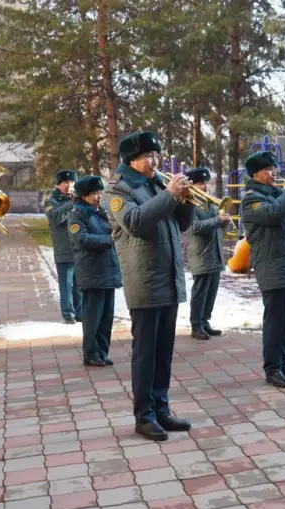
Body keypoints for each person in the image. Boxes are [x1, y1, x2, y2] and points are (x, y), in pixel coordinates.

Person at [105, 131, 194, 441]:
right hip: (144, 280)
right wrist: (169, 195)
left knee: (164, 352)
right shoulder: (119, 189)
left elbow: (181, 224)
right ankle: (144, 416)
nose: (155, 161)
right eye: (148, 156)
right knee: (145, 353)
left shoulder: (155, 184)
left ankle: (161, 409)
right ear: (132, 159)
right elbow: (137, 223)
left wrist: (186, 200)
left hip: (167, 277)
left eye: (157, 155)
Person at [240, 151, 285, 388]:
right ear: (255, 174)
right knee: (275, 320)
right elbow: (274, 214)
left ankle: (284, 363)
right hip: (272, 266)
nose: (274, 174)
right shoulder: (251, 200)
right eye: (269, 170)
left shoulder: (277, 195)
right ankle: (272, 368)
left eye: (274, 169)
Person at [68, 175, 120, 367]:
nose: (99, 197)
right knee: (93, 317)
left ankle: (102, 352)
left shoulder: (101, 211)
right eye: (94, 194)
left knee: (107, 316)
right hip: (92, 272)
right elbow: (81, 239)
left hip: (108, 270)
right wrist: (110, 240)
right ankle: (90, 353)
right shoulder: (76, 214)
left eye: (100, 192)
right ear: (83, 196)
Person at [186, 167, 230, 340]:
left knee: (211, 291)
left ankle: (205, 321)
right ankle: (196, 325)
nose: (205, 187)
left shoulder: (210, 202)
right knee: (201, 291)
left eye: (206, 183)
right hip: (201, 255)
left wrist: (224, 221)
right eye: (201, 183)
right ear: (192, 185)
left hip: (215, 254)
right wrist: (217, 220)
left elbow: (219, 230)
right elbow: (194, 228)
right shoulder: (190, 204)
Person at [45, 169, 82, 323]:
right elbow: (54, 218)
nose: (69, 185)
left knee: (79, 283)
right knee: (66, 284)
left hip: (79, 247)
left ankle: (79, 312)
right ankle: (68, 314)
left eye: (72, 182)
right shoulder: (51, 201)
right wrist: (71, 203)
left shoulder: (78, 200)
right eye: (66, 182)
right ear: (58, 184)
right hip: (63, 249)